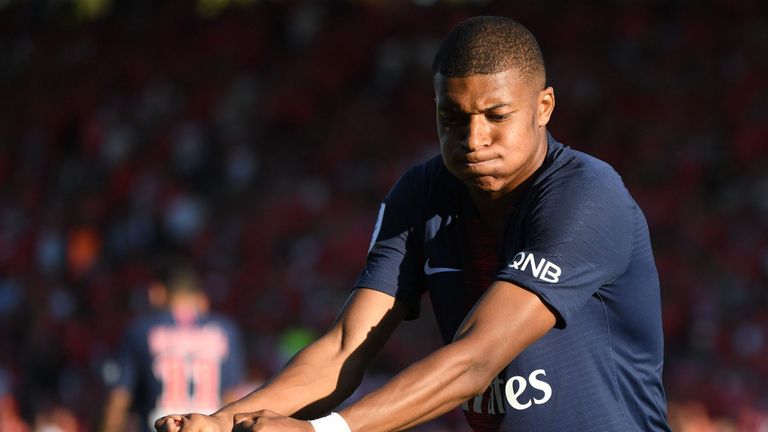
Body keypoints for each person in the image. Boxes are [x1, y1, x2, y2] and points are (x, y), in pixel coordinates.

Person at [155, 16, 670, 432]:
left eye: (496, 115)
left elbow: (477, 357)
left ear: (543, 107)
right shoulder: (421, 193)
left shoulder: (587, 195)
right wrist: (223, 423)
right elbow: (343, 349)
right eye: (453, 117)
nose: (473, 138)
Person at [101, 263, 245, 432]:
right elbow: (231, 398)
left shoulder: (141, 329)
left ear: (157, 293)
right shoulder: (225, 330)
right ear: (199, 295)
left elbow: (117, 402)